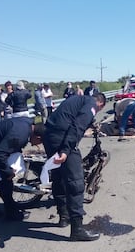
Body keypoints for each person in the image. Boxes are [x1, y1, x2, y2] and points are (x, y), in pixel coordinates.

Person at [42, 92, 106, 241]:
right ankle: (77, 229)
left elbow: (71, 117)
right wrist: (65, 150)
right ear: (100, 104)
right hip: (61, 140)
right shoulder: (91, 104)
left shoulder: (77, 99)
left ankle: (64, 217)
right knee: (76, 183)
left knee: (58, 177)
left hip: (49, 136)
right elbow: (77, 126)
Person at [0, 117, 44, 220]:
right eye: (39, 142)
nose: (35, 145)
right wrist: (8, 172)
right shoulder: (19, 135)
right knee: (5, 180)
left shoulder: (28, 124)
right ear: (38, 137)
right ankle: (11, 213)